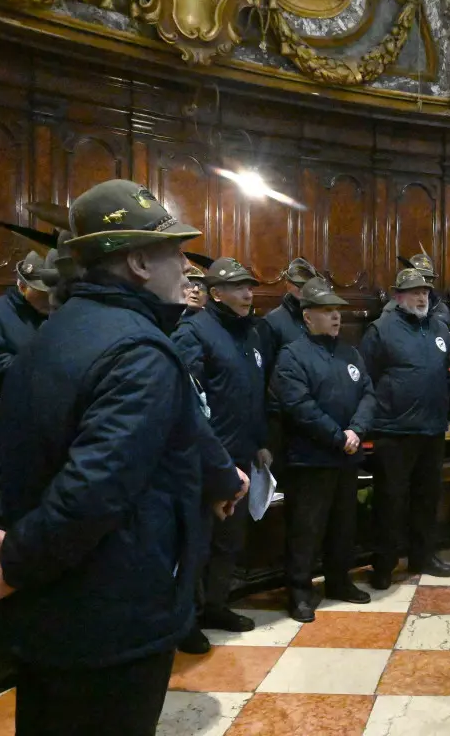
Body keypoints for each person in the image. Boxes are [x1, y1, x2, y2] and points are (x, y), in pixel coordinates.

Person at [0, 179, 246, 735]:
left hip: (53, 609)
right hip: (115, 610)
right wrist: (13, 563)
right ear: (137, 261)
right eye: (175, 253)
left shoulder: (53, 331)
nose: (187, 267)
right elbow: (95, 487)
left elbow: (0, 449)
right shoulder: (139, 348)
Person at [172, 257, 271, 640]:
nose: (249, 293)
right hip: (206, 460)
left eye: (250, 287)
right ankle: (188, 621)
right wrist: (212, 457)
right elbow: (187, 402)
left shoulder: (251, 333)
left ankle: (216, 605)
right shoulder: (194, 331)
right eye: (240, 287)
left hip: (242, 456)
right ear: (216, 293)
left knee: (230, 541)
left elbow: (254, 393)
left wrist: (260, 442)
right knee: (197, 543)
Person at [272, 277, 375, 621]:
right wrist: (338, 436)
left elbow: (368, 394)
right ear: (307, 316)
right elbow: (299, 406)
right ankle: (300, 590)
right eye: (327, 311)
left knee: (343, 525)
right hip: (311, 459)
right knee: (306, 528)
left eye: (338, 311)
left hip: (347, 456)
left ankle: (339, 581)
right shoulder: (292, 356)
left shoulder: (350, 352)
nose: (335, 317)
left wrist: (356, 430)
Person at [361, 267, 450, 587]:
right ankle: (384, 565)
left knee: (427, 499)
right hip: (394, 431)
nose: (421, 296)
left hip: (431, 429)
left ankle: (423, 556)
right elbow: (367, 379)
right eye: (414, 291)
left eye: (425, 291)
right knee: (390, 502)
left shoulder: (440, 328)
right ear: (398, 295)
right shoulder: (381, 328)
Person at [0, 250, 57, 409]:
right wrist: (43, 370)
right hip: (7, 409)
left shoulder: (57, 312)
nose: (49, 300)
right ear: (22, 287)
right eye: (43, 294)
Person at [379, 247, 450, 328]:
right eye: (421, 277)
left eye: (428, 278)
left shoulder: (438, 305)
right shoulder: (392, 308)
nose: (423, 282)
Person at [265, 257, 321, 349]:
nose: (302, 287)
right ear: (287, 283)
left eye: (307, 282)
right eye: (297, 282)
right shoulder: (272, 321)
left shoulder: (321, 317)